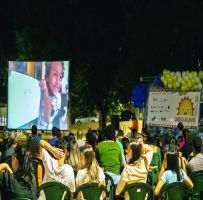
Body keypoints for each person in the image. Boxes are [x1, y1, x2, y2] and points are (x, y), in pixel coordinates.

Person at [38, 61, 66, 129]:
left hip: (48, 132)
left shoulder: (57, 97)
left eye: (60, 77)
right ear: (47, 77)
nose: (58, 81)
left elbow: (47, 118)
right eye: (55, 74)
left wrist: (45, 90)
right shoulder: (39, 89)